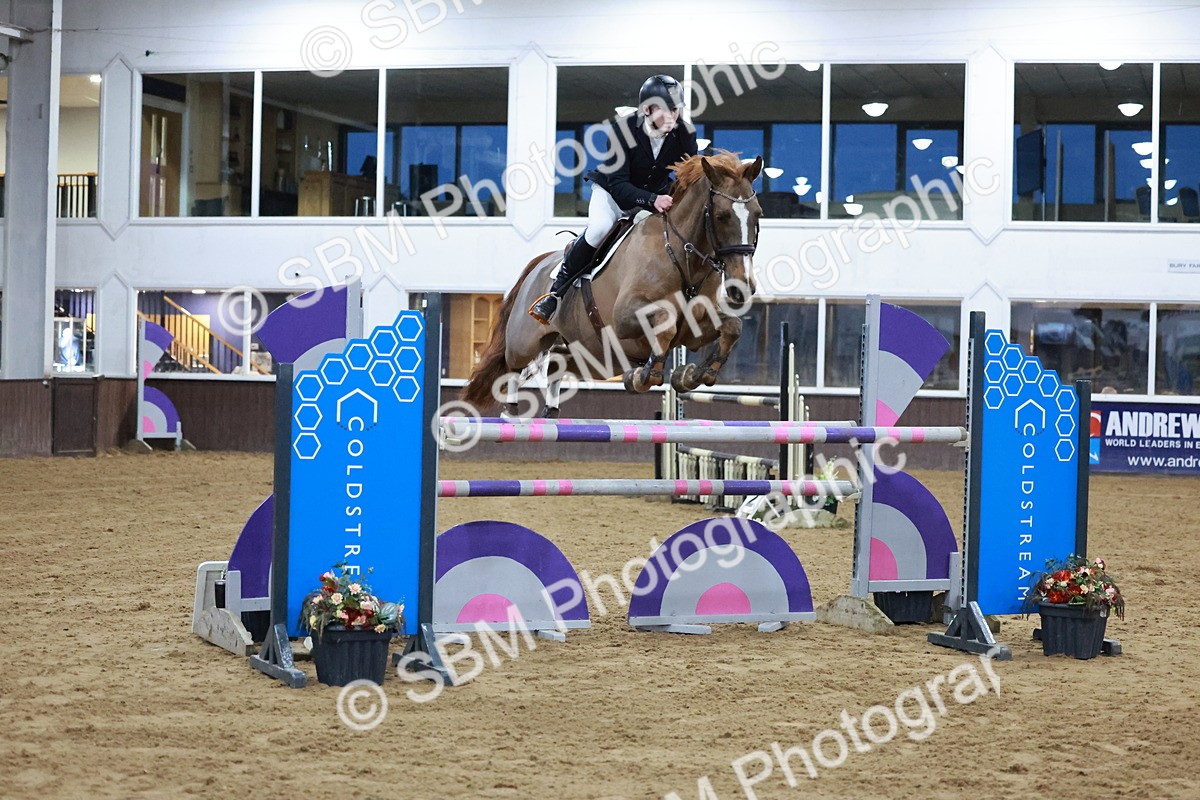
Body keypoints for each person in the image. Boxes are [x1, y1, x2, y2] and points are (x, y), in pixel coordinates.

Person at [529, 74, 699, 324]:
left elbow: (690, 172)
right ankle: (555, 293)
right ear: (647, 109)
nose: (672, 117)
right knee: (599, 229)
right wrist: (653, 199)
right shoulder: (623, 130)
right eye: (665, 110)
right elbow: (618, 184)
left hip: (653, 197)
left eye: (675, 110)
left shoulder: (684, 133)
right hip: (612, 194)